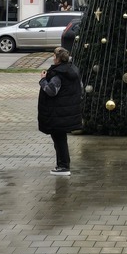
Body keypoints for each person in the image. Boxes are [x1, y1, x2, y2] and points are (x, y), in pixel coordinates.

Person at [38, 47, 84, 176]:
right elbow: (80, 88)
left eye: (54, 56)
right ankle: (62, 165)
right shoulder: (73, 70)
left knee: (59, 140)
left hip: (57, 113)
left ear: (58, 58)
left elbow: (51, 91)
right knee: (61, 139)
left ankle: (63, 166)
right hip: (67, 111)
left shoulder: (58, 73)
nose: (53, 58)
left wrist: (42, 80)